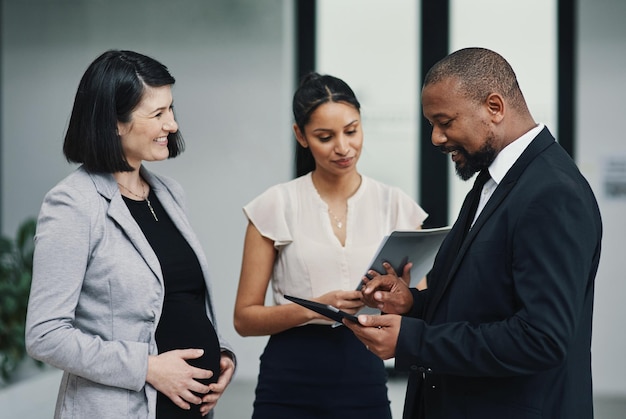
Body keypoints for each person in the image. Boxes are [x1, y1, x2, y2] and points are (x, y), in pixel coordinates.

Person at [345, 47, 602, 419]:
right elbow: (486, 301)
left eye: (445, 122)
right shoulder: (492, 182)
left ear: (494, 107)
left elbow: (541, 338)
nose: (436, 138)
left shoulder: (552, 192)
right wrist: (414, 306)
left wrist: (412, 339)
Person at [25, 50, 236, 419]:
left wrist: (220, 352)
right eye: (157, 114)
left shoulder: (169, 194)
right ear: (114, 123)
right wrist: (148, 367)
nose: (171, 124)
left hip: (189, 409)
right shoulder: (72, 204)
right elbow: (45, 335)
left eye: (171, 109)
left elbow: (177, 299)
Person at [233, 72, 428, 419]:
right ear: (301, 136)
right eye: (325, 137)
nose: (343, 147)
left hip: (364, 374)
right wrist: (316, 307)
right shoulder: (274, 205)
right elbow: (245, 319)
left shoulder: (395, 205)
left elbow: (422, 308)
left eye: (352, 131)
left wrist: (398, 298)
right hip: (287, 379)